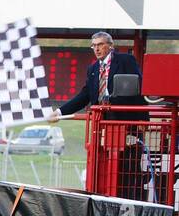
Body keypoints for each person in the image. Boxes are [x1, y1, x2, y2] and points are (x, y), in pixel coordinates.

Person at [50, 31, 145, 199]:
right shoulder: (93, 69)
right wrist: (59, 112)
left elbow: (137, 87)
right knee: (103, 169)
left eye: (100, 44)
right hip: (103, 127)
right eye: (94, 45)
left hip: (126, 125)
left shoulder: (125, 61)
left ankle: (129, 201)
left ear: (110, 45)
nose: (97, 49)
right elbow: (84, 95)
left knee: (128, 171)